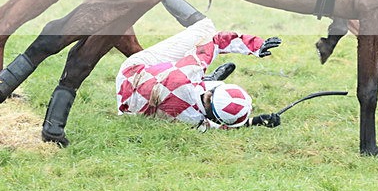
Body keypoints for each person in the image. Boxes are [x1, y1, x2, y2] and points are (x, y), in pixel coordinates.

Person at [115, 18, 282, 131]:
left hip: (131, 73)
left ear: (210, 93)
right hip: (127, 109)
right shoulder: (198, 123)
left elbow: (216, 40)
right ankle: (206, 79)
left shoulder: (189, 72)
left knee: (206, 27)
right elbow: (223, 126)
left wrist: (256, 46)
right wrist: (257, 121)